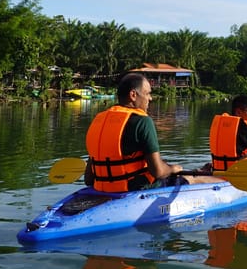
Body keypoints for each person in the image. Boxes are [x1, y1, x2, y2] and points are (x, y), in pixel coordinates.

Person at [84, 73, 224, 191]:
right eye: (148, 93)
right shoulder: (142, 121)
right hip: (134, 190)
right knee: (191, 179)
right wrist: (173, 169)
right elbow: (158, 172)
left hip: (101, 188)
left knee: (181, 173)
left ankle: (198, 172)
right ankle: (219, 182)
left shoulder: (98, 120)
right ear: (133, 95)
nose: (150, 98)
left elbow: (88, 179)